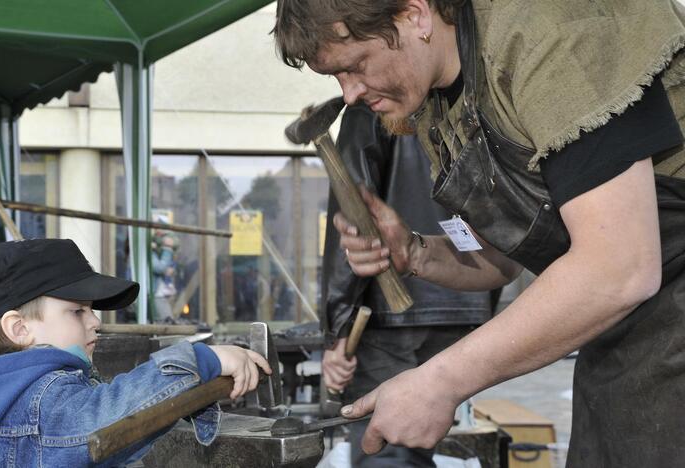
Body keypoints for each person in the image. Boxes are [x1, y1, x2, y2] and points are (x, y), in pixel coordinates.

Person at [273, 1, 685, 466]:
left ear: (414, 15)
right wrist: (416, 250)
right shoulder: (440, 106)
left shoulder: (547, 29)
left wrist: (441, 380)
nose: (348, 94)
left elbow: (619, 267)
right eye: (335, 78)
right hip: (622, 335)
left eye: (355, 66)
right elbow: (504, 257)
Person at [0, 238, 270, 467]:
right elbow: (105, 414)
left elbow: (111, 444)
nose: (95, 321)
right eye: (78, 311)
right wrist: (201, 360)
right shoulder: (38, 400)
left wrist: (182, 397)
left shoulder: (4, 396)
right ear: (19, 329)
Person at [321, 103, 493, 467]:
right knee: (411, 443)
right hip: (465, 299)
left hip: (390, 315)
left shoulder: (372, 101)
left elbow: (356, 227)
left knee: (386, 448)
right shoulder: (469, 95)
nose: (349, 86)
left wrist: (338, 330)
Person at [151, 230, 178, 321]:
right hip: (156, 293)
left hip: (161, 290)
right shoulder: (150, 249)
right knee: (166, 321)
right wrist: (167, 249)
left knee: (166, 320)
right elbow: (160, 268)